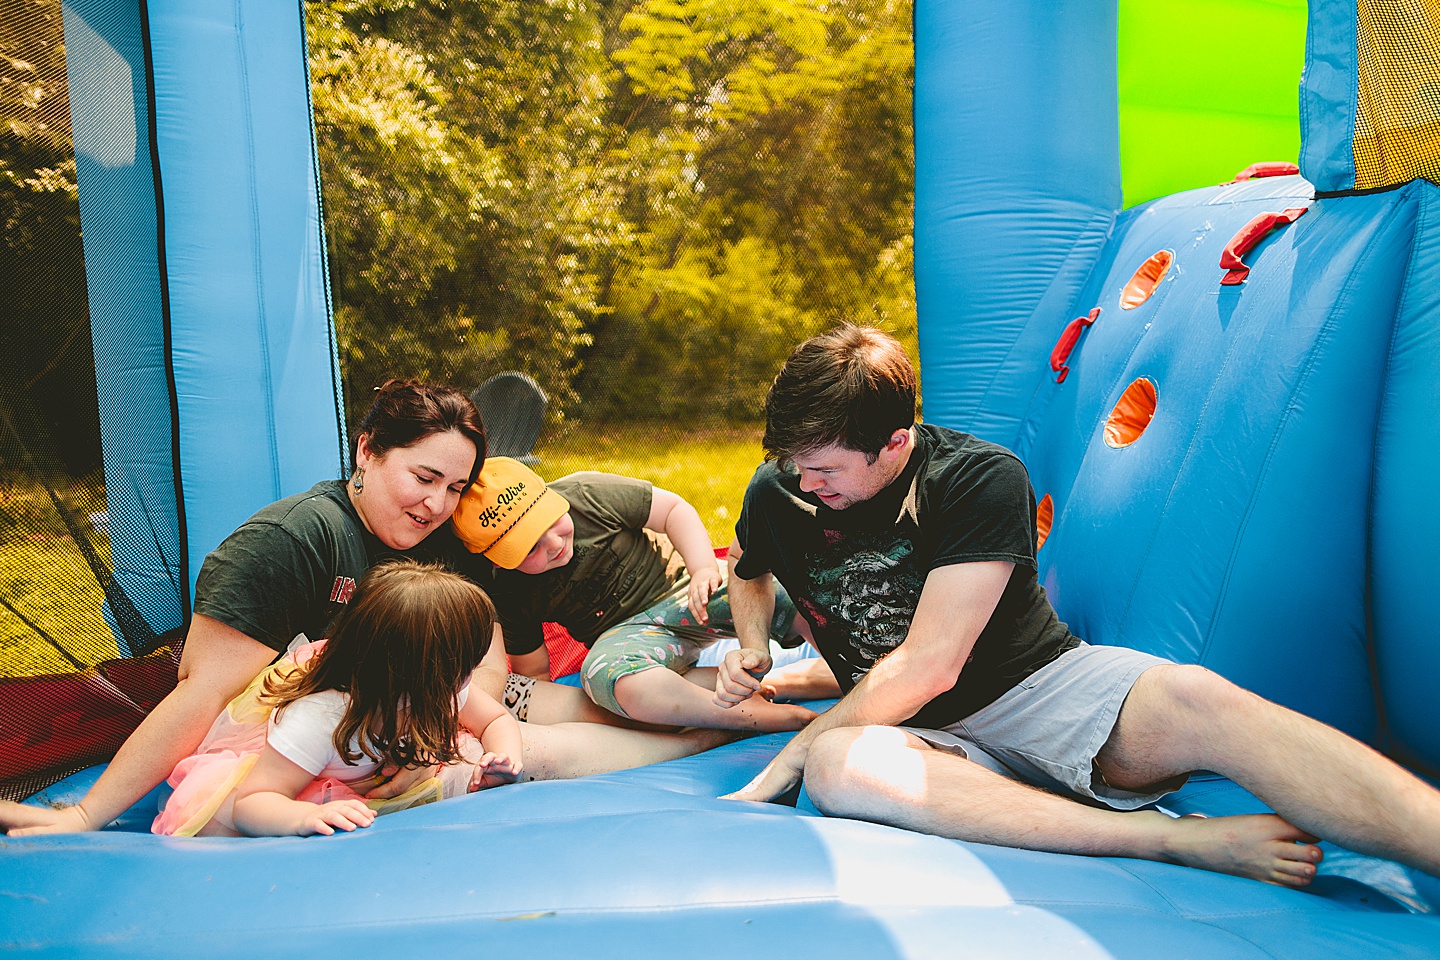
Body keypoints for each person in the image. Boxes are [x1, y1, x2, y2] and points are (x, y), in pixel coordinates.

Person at [714, 324, 1440, 886]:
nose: (806, 485)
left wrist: (791, 756)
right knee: (845, 765)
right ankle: (1171, 839)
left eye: (825, 469)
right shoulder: (781, 487)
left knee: (1194, 696)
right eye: (795, 465)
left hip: (1033, 688)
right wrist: (752, 644)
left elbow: (930, 665)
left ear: (896, 442)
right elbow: (750, 568)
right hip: (914, 731)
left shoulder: (977, 478)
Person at [1, 381, 727, 836]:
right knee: (529, 752)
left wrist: (475, 718)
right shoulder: (295, 542)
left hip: (420, 710)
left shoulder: (443, 537)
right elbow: (204, 692)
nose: (436, 504)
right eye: (423, 477)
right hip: (313, 738)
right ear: (368, 451)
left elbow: (486, 660)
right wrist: (88, 815)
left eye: (454, 487)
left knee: (575, 709)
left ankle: (716, 715)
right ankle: (699, 742)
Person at [153, 561, 523, 837]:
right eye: (463, 667)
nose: (469, 678)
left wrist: (502, 757)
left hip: (366, 771)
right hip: (294, 783)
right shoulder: (321, 718)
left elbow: (495, 721)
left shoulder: (442, 685)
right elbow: (249, 803)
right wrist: (300, 818)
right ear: (418, 674)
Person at [452, 457, 817, 731]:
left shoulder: (583, 494)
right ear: (501, 560)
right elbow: (535, 672)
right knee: (605, 679)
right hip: (630, 637)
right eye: (529, 548)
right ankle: (743, 715)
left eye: (551, 521)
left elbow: (672, 510)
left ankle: (849, 670)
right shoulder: (509, 592)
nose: (552, 543)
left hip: (684, 591)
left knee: (788, 590)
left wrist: (703, 568)